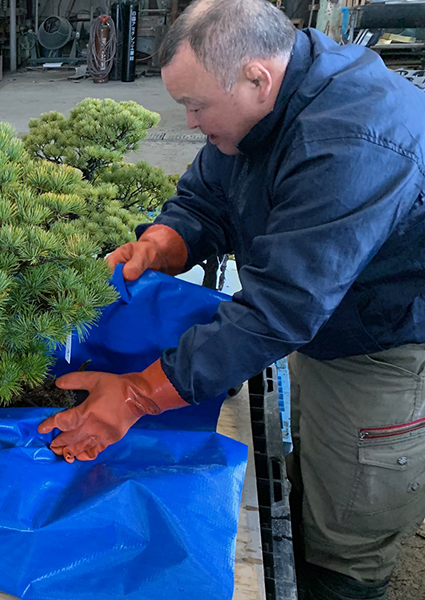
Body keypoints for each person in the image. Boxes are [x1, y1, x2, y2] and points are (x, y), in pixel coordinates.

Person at [37, 0, 425, 598]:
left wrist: (139, 394)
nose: (189, 123)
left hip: (389, 341)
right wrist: (162, 243)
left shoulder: (353, 141)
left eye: (196, 105)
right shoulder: (259, 106)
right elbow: (205, 197)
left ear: (256, 77)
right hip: (327, 321)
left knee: (350, 528)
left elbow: (280, 309)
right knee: (316, 474)